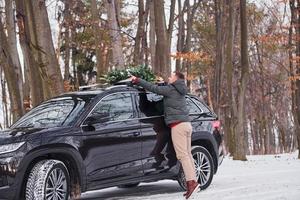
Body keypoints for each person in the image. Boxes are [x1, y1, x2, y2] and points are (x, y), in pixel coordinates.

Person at [131, 71, 199, 199]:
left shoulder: (171, 89)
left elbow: (153, 88)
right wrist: (163, 83)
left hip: (178, 126)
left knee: (183, 155)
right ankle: (193, 182)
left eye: (171, 76)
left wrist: (137, 80)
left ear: (176, 79)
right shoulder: (180, 89)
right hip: (186, 125)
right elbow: (163, 88)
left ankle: (192, 183)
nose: (169, 77)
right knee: (188, 155)